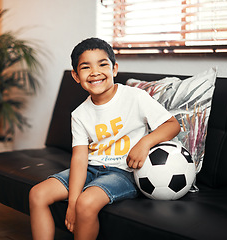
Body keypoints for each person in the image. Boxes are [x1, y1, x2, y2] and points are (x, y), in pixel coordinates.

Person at [29, 37, 180, 240]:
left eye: (102, 64)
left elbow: (173, 125)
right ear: (75, 76)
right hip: (92, 168)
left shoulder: (135, 97)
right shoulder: (80, 114)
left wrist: (145, 142)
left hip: (125, 172)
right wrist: (71, 202)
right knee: (37, 195)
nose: (95, 72)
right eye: (85, 67)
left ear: (114, 69)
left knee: (86, 203)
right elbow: (80, 159)